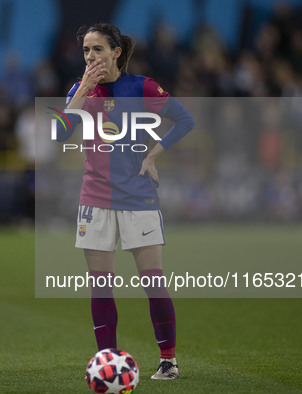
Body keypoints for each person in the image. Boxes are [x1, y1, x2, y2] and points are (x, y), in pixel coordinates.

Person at [59, 23, 194, 380]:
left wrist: (153, 154)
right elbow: (59, 133)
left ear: (116, 52)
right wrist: (84, 89)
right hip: (95, 198)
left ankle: (168, 360)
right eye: (86, 51)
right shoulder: (80, 90)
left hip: (138, 198)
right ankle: (106, 363)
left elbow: (184, 119)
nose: (91, 57)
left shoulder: (142, 87)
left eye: (98, 49)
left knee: (153, 280)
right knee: (100, 283)